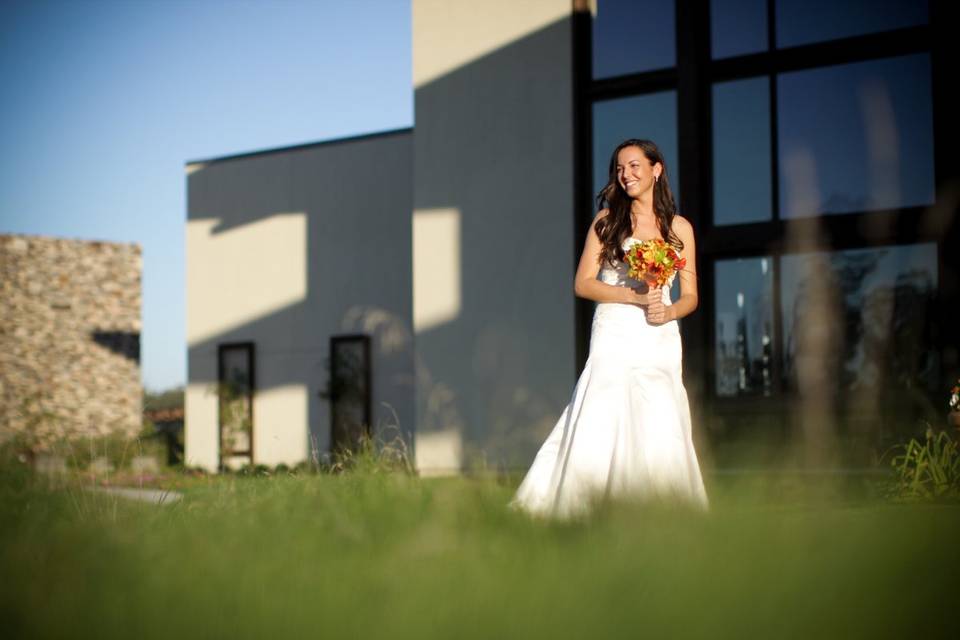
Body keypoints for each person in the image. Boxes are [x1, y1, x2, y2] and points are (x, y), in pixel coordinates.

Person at [509, 138, 708, 518]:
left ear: (656, 169)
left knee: (660, 415)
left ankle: (663, 513)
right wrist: (631, 297)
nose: (626, 175)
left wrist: (668, 313)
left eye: (634, 166)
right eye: (619, 168)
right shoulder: (606, 221)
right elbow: (583, 283)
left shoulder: (680, 228)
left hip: (659, 334)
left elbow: (691, 295)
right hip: (615, 330)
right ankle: (583, 508)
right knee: (604, 408)